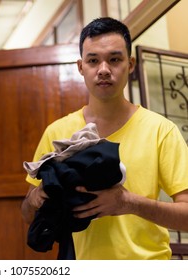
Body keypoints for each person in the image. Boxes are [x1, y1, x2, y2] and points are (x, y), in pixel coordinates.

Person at [21, 17, 188, 260]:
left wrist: (129, 203)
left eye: (114, 59)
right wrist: (34, 199)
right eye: (93, 60)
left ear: (130, 64)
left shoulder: (161, 130)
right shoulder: (57, 132)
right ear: (81, 67)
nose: (103, 69)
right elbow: (27, 215)